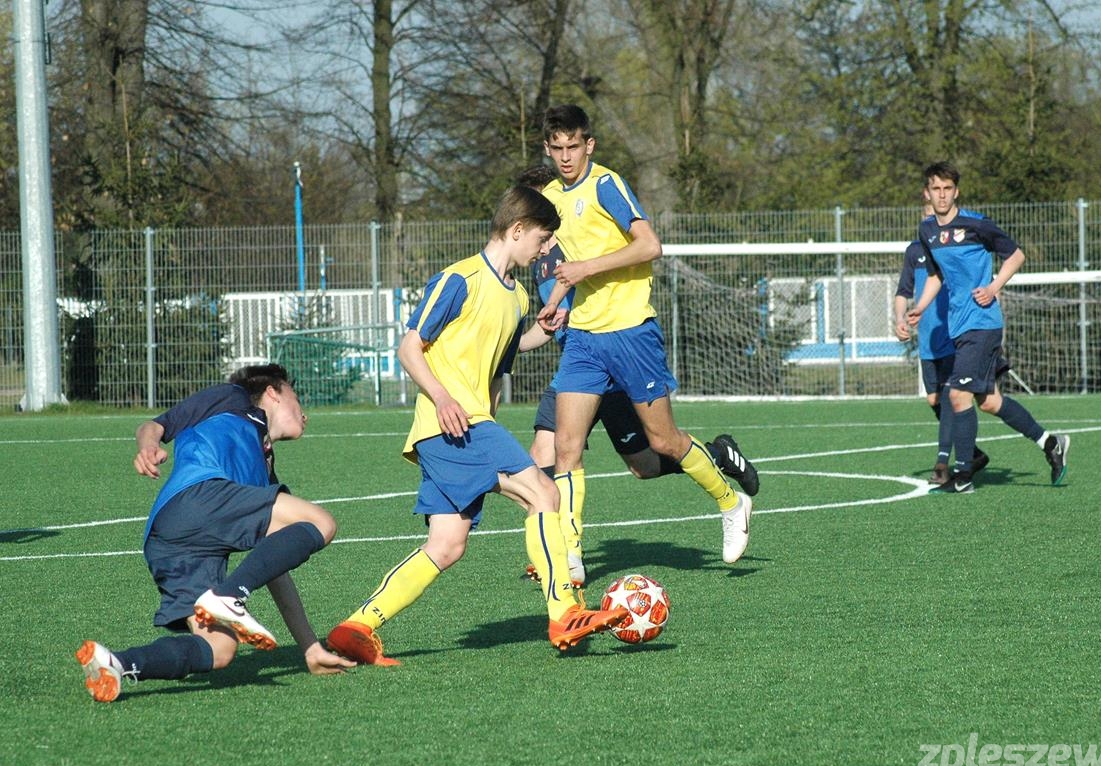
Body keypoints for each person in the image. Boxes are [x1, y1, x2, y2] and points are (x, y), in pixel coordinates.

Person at [325, 185, 629, 667]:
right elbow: (409, 347)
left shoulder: (518, 297)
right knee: (544, 494)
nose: (547, 248)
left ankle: (358, 625)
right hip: (455, 423)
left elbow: (500, 358)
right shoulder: (458, 278)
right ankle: (564, 611)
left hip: (462, 427)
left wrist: (540, 332)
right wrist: (443, 398)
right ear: (517, 230)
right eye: (544, 238)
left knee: (446, 545)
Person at [534, 104, 752, 581]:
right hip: (585, 338)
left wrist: (585, 270)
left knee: (663, 443)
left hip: (632, 332)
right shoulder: (550, 196)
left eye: (574, 147)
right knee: (565, 449)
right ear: (548, 149)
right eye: (558, 148)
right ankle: (571, 552)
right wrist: (557, 300)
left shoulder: (606, 185)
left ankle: (731, 502)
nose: (567, 157)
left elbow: (650, 246)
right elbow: (568, 263)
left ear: (589, 145)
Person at [75, 364, 354, 702]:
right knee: (323, 522)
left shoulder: (263, 472)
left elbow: (273, 568)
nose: (304, 414)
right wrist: (148, 446)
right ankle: (229, 595)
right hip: (199, 497)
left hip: (168, 540)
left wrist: (310, 648)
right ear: (272, 392)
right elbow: (154, 425)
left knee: (219, 649)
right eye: (297, 397)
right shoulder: (231, 398)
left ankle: (116, 663)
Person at [907, 162, 1070, 493]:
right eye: (936, 189)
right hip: (959, 327)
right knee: (990, 402)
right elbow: (937, 274)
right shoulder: (927, 231)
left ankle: (964, 476)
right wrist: (920, 307)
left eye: (947, 189)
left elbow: (1016, 256)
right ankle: (1051, 443)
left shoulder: (976, 224)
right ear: (927, 192)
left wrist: (994, 287)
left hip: (983, 324)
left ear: (957, 191)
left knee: (957, 394)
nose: (942, 195)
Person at [894, 202, 989, 485]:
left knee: (951, 397)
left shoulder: (954, 250)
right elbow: (903, 290)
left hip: (954, 336)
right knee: (934, 400)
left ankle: (944, 462)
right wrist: (900, 317)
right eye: (928, 214)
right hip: (928, 341)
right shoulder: (914, 251)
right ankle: (972, 453)